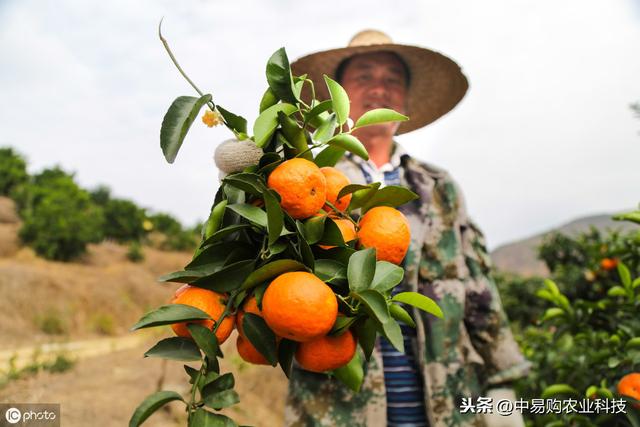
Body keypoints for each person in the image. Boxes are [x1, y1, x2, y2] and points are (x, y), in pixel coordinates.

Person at [214, 30, 530, 427]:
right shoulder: (303, 179)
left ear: (405, 97)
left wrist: (503, 381)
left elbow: (477, 283)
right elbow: (248, 255)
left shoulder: (437, 186)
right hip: (338, 406)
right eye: (364, 76)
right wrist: (248, 183)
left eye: (392, 78)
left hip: (447, 400)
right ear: (338, 95)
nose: (380, 87)